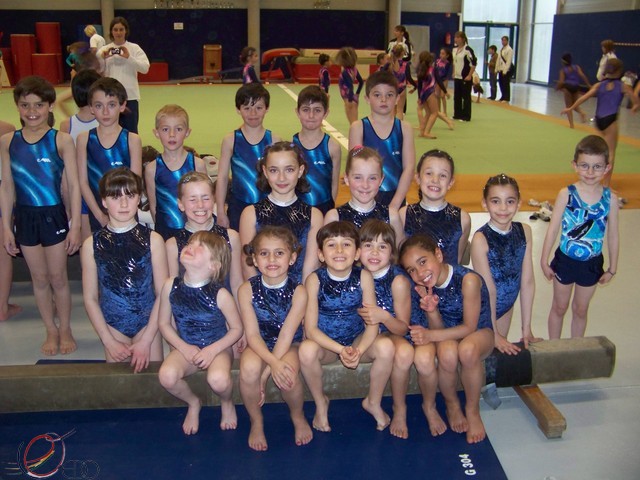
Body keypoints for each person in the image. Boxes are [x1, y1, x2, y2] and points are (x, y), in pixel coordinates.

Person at [0, 76, 82, 354]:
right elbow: (7, 186)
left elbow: (73, 185)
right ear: (17, 107)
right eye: (25, 105)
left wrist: (75, 224)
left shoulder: (61, 140)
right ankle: (50, 329)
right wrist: (7, 227)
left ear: (50, 106)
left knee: (58, 277)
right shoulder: (8, 141)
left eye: (38, 105)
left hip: (53, 216)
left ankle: (65, 328)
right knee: (39, 278)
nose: (32, 111)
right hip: (25, 217)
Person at [298, 221, 394, 432]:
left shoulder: (364, 277)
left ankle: (373, 401)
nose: (339, 250)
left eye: (347, 244)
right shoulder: (314, 280)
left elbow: (372, 324)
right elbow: (311, 330)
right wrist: (340, 349)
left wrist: (359, 350)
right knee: (306, 350)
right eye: (332, 245)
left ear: (357, 253)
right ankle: (320, 402)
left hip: (357, 338)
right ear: (321, 254)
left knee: (386, 346)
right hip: (327, 344)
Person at [400, 234, 494, 444]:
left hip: (479, 334)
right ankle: (452, 404)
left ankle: (472, 410)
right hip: (449, 334)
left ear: (438, 254)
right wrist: (431, 311)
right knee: (447, 353)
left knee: (467, 350)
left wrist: (429, 335)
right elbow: (441, 330)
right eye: (412, 270)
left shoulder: (468, 280)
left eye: (423, 262)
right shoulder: (424, 287)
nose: (420, 273)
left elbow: (469, 327)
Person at [81, 167, 167, 371]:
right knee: (120, 384)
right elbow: (90, 298)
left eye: (130, 195)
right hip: (113, 326)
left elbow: (162, 293)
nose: (123, 203)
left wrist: (147, 339)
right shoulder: (91, 244)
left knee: (152, 381)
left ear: (139, 199)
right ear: (104, 201)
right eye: (115, 197)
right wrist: (107, 340)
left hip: (147, 324)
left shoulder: (154, 240)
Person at [158, 231, 243, 435]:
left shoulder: (220, 294)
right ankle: (193, 402)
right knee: (167, 376)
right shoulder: (170, 285)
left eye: (200, 247)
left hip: (217, 348)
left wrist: (212, 350)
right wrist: (183, 347)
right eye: (190, 243)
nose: (190, 247)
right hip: (186, 347)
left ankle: (227, 402)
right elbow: (164, 324)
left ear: (214, 265)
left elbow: (237, 329)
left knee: (218, 380)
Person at [238, 226, 312, 450]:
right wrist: (269, 364)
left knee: (287, 374)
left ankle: (297, 415)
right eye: (264, 253)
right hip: (259, 343)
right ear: (254, 259)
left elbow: (286, 335)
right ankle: (256, 420)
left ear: (292, 258)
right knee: (248, 369)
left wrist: (267, 374)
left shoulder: (299, 291)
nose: (271, 259)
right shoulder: (246, 290)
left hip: (289, 344)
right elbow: (252, 334)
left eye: (279, 253)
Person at [540, 135, 619, 339]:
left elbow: (613, 235)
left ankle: (577, 348)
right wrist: (543, 260)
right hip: (565, 261)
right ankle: (554, 348)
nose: (590, 172)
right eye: (584, 166)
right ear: (574, 165)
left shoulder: (610, 199)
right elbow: (553, 229)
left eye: (597, 167)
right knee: (559, 307)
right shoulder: (566, 194)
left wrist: (612, 268)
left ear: (607, 168)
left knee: (581, 310)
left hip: (591, 264)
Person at [357, 219, 418, 439]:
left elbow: (402, 328)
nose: (374, 252)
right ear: (358, 251)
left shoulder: (397, 280)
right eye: (368, 245)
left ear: (392, 253)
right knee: (385, 347)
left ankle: (400, 409)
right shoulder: (354, 274)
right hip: (364, 335)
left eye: (382, 246)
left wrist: (384, 316)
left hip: (393, 330)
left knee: (405, 352)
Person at [470, 174, 540, 356]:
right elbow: (488, 290)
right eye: (495, 201)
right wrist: (493, 332)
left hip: (506, 307)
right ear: (484, 204)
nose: (503, 208)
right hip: (482, 310)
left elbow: (527, 282)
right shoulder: (480, 239)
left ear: (519, 203)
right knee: (483, 354)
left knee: (499, 354)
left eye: (510, 201)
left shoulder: (524, 232)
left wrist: (526, 329)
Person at [239, 142, 322, 283]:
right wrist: (259, 293)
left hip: (300, 291)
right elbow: (247, 263)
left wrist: (302, 294)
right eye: (274, 170)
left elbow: (311, 267)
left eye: (289, 170)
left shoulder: (314, 216)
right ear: (265, 172)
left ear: (300, 171)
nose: (281, 178)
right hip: (261, 292)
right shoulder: (250, 214)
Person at [76, 77, 142, 232]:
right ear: (91, 108)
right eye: (99, 106)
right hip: (96, 212)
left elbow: (135, 183)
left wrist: (123, 214)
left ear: (122, 105)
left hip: (126, 212)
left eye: (111, 105)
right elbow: (83, 182)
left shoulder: (132, 139)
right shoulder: (84, 139)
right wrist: (99, 215)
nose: (105, 112)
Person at [561, 58, 639, 187]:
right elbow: (635, 99)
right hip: (610, 120)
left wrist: (571, 108)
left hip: (598, 120)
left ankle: (591, 177)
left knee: (598, 150)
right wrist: (635, 106)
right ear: (620, 71)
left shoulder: (599, 85)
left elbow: (585, 97)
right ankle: (606, 184)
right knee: (611, 152)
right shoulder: (622, 86)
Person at [165, 172, 243, 298]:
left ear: (214, 199)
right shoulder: (172, 244)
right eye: (192, 200)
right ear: (181, 204)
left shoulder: (231, 237)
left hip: (226, 308)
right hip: (189, 308)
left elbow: (236, 283)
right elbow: (173, 291)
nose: (200, 205)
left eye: (205, 198)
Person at [216, 83, 281, 230]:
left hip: (269, 205)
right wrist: (220, 211)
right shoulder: (231, 140)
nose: (253, 113)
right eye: (247, 108)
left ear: (267, 108)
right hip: (238, 205)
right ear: (238, 109)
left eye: (258, 108)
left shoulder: (274, 140)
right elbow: (222, 178)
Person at [349, 70, 416, 210]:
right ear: (367, 98)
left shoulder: (404, 128)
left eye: (389, 95)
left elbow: (409, 168)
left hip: (396, 197)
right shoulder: (358, 127)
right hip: (366, 197)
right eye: (377, 95)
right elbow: (355, 168)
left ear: (397, 98)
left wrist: (395, 204)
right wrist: (364, 202)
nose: (383, 100)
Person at [145, 104, 207, 240]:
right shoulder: (151, 169)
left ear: (187, 132)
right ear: (156, 133)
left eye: (178, 129)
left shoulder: (197, 164)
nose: (172, 135)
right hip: (164, 231)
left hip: (194, 231)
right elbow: (154, 207)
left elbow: (205, 201)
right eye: (165, 129)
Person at [400, 149, 471, 265]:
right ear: (418, 178)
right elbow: (400, 260)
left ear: (451, 182)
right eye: (429, 173)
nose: (435, 180)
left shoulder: (462, 219)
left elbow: (456, 263)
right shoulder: (404, 215)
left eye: (442, 175)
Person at [324, 146, 403, 242]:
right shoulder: (334, 217)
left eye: (372, 178)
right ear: (347, 179)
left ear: (381, 180)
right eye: (358, 177)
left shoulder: (392, 217)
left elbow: (398, 250)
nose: (365, 185)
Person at [59, 69, 102, 241]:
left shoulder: (67, 125)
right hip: (91, 187)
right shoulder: (106, 120)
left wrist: (68, 206)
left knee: (87, 242)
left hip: (79, 187)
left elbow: (66, 174)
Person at [293, 86, 342, 215]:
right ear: (297, 112)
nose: (311, 115)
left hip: (324, 208)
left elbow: (334, 183)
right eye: (306, 110)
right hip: (296, 210)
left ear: (326, 113)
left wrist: (330, 209)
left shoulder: (332, 147)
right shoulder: (291, 146)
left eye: (317, 110)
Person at [97, 16, 150, 134]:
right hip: (109, 97)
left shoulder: (134, 48)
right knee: (110, 131)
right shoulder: (103, 50)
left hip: (130, 97)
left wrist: (129, 58)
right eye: (115, 30)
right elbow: (97, 71)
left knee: (131, 133)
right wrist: (102, 59)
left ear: (126, 31)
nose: (118, 33)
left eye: (121, 29)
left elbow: (145, 68)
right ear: (111, 31)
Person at [0, 120, 21, 321]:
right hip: (3, 187)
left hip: (3, 188)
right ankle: (2, 308)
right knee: (3, 255)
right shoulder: (6, 130)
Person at [415, 51, 453, 139]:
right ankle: (427, 132)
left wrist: (419, 97)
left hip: (423, 93)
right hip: (430, 93)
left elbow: (419, 85)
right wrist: (445, 92)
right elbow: (439, 81)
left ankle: (422, 131)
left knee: (428, 113)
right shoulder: (433, 69)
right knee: (434, 113)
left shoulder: (420, 70)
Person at [556, 53, 591, 129]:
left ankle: (571, 125)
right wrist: (588, 84)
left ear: (563, 62)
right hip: (576, 87)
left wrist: (557, 88)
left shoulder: (563, 70)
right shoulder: (576, 67)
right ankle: (582, 113)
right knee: (575, 105)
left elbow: (561, 81)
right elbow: (582, 75)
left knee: (568, 106)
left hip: (568, 88)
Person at [452, 31, 477, 121]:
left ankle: (466, 116)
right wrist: (453, 72)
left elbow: (473, 63)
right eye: (455, 37)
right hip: (457, 76)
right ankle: (457, 114)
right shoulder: (454, 50)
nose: (456, 39)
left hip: (465, 77)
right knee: (457, 96)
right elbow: (454, 62)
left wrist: (470, 75)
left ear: (463, 39)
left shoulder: (467, 50)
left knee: (465, 97)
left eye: (458, 37)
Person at [336, 46, 363, 124]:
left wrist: (350, 100)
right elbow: (361, 82)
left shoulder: (345, 72)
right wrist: (357, 93)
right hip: (352, 97)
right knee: (354, 122)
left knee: (353, 123)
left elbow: (350, 85)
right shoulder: (354, 70)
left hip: (348, 99)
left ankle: (357, 132)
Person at [388, 44, 416, 120]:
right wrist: (415, 86)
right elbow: (409, 78)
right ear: (402, 53)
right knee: (400, 111)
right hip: (402, 89)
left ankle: (392, 125)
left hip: (392, 88)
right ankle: (399, 126)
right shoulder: (405, 64)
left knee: (393, 110)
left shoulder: (390, 64)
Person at [434, 48, 453, 116]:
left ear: (447, 55)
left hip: (444, 80)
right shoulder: (437, 61)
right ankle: (438, 111)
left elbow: (448, 73)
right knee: (437, 95)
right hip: (437, 80)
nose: (441, 55)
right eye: (440, 53)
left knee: (442, 96)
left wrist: (447, 79)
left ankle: (445, 112)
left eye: (443, 54)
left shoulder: (448, 63)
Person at [495, 36, 514, 102]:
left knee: (506, 84)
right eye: (502, 40)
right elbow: (498, 59)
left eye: (504, 40)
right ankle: (503, 96)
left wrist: (505, 71)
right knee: (501, 84)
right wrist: (496, 69)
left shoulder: (509, 49)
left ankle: (506, 98)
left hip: (506, 70)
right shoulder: (501, 49)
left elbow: (508, 61)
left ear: (507, 41)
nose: (503, 42)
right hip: (500, 69)